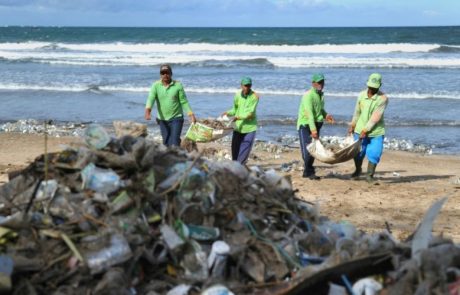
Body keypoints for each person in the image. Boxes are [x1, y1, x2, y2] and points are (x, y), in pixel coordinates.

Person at [348, 73, 389, 182]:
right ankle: (357, 170)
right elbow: (357, 112)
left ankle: (369, 176)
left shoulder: (383, 99)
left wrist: (366, 130)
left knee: (375, 152)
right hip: (359, 129)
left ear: (380, 85)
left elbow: (376, 116)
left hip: (376, 131)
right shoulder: (361, 95)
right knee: (358, 153)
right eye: (370, 86)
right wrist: (353, 124)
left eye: (374, 87)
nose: (372, 89)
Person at [144, 64, 196, 147]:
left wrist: (191, 115)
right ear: (160, 75)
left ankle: (177, 156)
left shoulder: (178, 85)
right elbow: (151, 99)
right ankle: (172, 157)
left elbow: (184, 102)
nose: (165, 75)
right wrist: (147, 111)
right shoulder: (155, 86)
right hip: (162, 120)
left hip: (177, 118)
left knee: (174, 142)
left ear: (171, 74)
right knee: (166, 142)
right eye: (163, 73)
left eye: (167, 73)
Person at [297, 73, 334, 180]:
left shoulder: (320, 95)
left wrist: (326, 115)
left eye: (322, 82)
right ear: (313, 83)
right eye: (318, 82)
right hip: (305, 125)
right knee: (308, 150)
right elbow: (309, 114)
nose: (321, 84)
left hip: (316, 124)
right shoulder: (308, 95)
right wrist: (313, 130)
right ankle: (308, 171)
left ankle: (307, 171)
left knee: (314, 149)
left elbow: (319, 109)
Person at [222, 77, 259, 165]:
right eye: (245, 86)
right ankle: (235, 172)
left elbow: (250, 114)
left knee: (242, 157)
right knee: (234, 155)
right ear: (241, 86)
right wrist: (227, 113)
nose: (247, 88)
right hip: (237, 128)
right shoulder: (237, 95)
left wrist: (238, 118)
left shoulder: (255, 97)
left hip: (249, 129)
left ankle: (239, 171)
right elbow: (235, 109)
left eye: (249, 85)